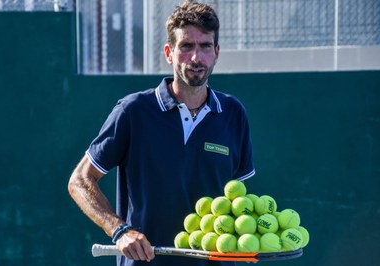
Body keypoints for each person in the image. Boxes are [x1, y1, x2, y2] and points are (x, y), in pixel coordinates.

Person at [68, 1, 255, 265]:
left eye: (205, 47)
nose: (196, 58)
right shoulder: (133, 111)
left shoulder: (234, 113)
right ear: (169, 53)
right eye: (186, 46)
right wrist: (119, 230)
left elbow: (237, 196)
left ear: (216, 53)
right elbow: (80, 180)